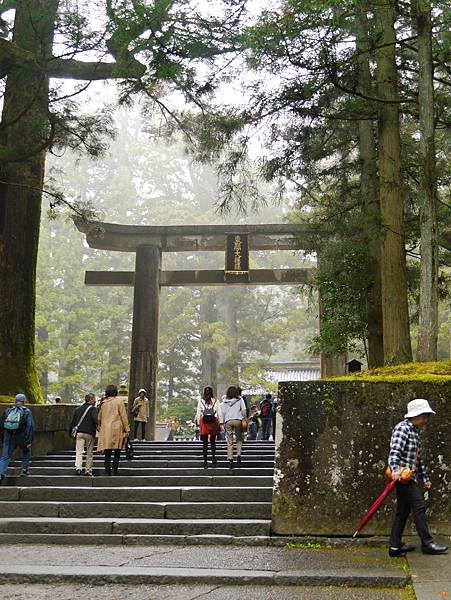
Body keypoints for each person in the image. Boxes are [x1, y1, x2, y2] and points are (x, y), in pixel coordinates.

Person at [387, 398, 448, 557]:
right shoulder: (402, 429)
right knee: (419, 508)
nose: (427, 419)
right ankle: (427, 543)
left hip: (409, 478)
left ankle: (394, 547)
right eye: (425, 415)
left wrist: (425, 479)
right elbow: (395, 452)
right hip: (402, 477)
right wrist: (394, 470)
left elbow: (417, 459)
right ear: (417, 414)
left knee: (403, 511)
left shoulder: (414, 431)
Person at [0, 393, 34, 480]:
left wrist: (3, 438)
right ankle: (23, 469)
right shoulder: (26, 411)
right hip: (21, 436)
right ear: (24, 402)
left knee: (5, 456)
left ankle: (1, 473)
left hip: (8, 436)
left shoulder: (8, 410)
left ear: (15, 401)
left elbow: (1, 425)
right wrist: (29, 440)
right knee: (26, 451)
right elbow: (30, 426)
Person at [97, 384, 130, 476]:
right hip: (117, 428)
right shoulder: (119, 402)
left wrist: (100, 426)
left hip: (106, 430)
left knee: (107, 452)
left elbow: (99, 418)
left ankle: (107, 470)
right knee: (117, 450)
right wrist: (127, 428)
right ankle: (114, 469)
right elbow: (123, 416)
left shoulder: (103, 403)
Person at [68, 393, 98, 476]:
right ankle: (88, 470)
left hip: (79, 432)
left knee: (79, 451)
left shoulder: (78, 409)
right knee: (89, 453)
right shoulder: (93, 409)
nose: (95, 401)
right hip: (89, 433)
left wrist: (70, 433)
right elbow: (95, 419)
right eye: (94, 399)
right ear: (91, 400)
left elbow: (73, 422)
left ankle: (78, 468)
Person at [195, 386, 222, 468]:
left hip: (204, 422)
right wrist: (221, 423)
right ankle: (213, 458)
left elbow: (198, 413)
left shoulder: (201, 401)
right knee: (213, 442)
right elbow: (219, 413)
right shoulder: (216, 401)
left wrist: (199, 423)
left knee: (205, 443)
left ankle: (205, 461)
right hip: (213, 422)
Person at [221, 386, 247, 469]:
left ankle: (230, 460)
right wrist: (244, 417)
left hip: (228, 421)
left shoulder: (224, 401)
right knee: (239, 439)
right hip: (238, 420)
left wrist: (223, 422)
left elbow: (223, 412)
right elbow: (244, 410)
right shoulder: (240, 399)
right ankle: (238, 455)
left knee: (229, 441)